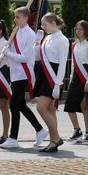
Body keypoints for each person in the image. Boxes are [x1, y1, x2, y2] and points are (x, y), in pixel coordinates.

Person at [0, 7, 48, 149]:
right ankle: (40, 130)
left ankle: (13, 137)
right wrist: (6, 55)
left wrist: (8, 53)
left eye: (18, 17)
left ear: (26, 18)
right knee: (20, 105)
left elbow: (25, 57)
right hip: (15, 73)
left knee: (14, 104)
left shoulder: (30, 35)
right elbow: (12, 54)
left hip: (23, 73)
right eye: (14, 16)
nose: (15, 19)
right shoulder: (16, 32)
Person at [34, 13, 68, 153]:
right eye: (42, 24)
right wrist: (37, 43)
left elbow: (62, 64)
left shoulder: (62, 40)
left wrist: (57, 84)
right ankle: (53, 140)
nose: (43, 27)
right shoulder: (47, 37)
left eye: (45, 24)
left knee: (41, 107)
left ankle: (56, 138)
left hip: (53, 76)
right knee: (50, 109)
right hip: (44, 74)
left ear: (53, 22)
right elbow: (37, 57)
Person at [64, 20, 88, 142]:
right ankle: (76, 129)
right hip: (76, 77)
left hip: (85, 76)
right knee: (69, 105)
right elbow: (73, 64)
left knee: (84, 106)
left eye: (81, 29)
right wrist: (72, 78)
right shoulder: (75, 44)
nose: (78, 31)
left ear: (86, 30)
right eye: (76, 29)